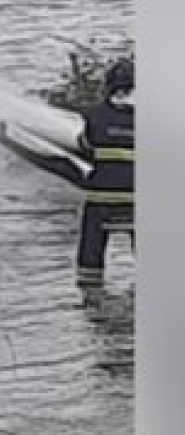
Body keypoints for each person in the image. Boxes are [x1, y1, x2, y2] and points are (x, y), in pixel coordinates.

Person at [76, 58, 134, 293]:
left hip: (101, 198)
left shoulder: (95, 116)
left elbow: (85, 146)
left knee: (91, 252)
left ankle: (90, 291)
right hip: (138, 200)